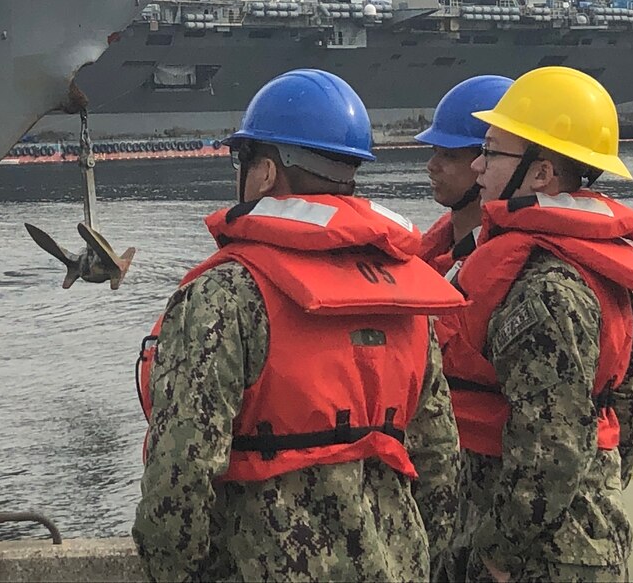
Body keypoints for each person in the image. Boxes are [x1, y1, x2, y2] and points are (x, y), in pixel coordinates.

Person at [134, 68, 464, 581]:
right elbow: (440, 460)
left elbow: (180, 472)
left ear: (265, 173)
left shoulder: (228, 294)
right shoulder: (409, 293)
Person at [438, 65, 633, 581]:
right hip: (578, 541)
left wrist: (497, 552)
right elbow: (628, 403)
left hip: (534, 559)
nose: (478, 164)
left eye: (493, 151)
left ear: (541, 174)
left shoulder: (544, 289)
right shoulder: (591, 269)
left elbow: (552, 446)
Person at [414, 75, 513, 276]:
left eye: (450, 155)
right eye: (435, 152)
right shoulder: (433, 250)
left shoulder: (511, 271)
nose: (432, 166)